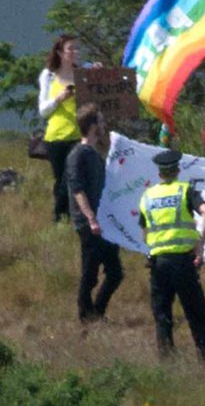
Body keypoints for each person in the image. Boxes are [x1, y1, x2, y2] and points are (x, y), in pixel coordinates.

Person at [138, 150, 205, 361]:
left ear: (159, 173)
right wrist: (200, 243)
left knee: (162, 316)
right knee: (196, 312)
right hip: (183, 261)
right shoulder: (185, 190)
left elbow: (144, 230)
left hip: (158, 263)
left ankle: (167, 361)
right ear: (177, 170)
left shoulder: (147, 196)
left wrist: (154, 247)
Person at [66, 104, 123, 323]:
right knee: (89, 274)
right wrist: (90, 218)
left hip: (104, 222)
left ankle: (97, 312)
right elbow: (78, 189)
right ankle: (85, 316)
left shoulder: (96, 154)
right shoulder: (78, 155)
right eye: (99, 121)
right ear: (91, 126)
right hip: (89, 223)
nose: (103, 125)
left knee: (115, 273)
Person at [38, 34, 97, 222]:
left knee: (75, 177)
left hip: (79, 135)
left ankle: (74, 215)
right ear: (60, 53)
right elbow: (43, 110)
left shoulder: (83, 71)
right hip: (56, 136)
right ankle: (61, 215)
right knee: (61, 179)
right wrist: (58, 99)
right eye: (70, 49)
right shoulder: (48, 76)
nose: (74, 52)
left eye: (76, 48)